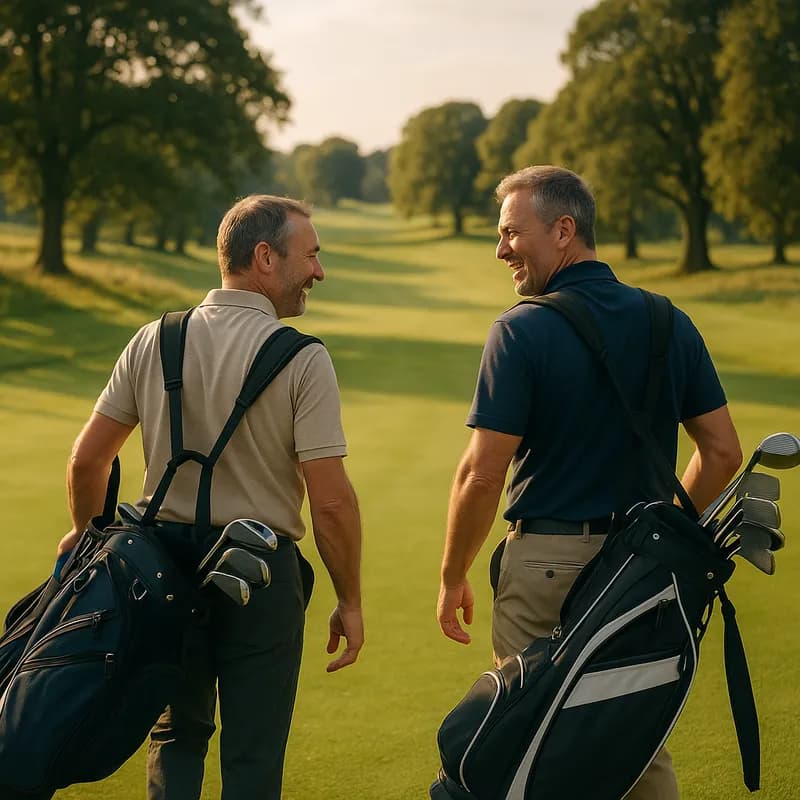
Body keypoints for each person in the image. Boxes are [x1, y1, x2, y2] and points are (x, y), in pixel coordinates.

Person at [436, 166, 741, 799]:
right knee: (632, 732)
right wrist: (669, 527)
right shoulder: (668, 321)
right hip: (642, 572)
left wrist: (453, 574)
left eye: (513, 233)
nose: (501, 250)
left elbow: (481, 472)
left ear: (564, 230)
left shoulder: (521, 328)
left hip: (546, 569)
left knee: (530, 742)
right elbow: (721, 452)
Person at [57, 195, 364, 800]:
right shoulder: (303, 357)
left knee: (176, 737)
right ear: (265, 258)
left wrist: (88, 535)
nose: (319, 272)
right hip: (262, 575)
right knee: (254, 753)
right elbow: (330, 502)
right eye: (311, 257)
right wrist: (349, 598)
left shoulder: (154, 338)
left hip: (161, 570)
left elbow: (88, 460)